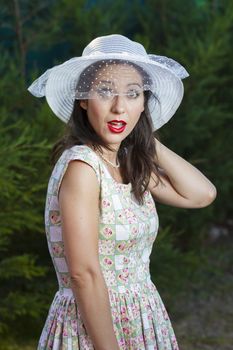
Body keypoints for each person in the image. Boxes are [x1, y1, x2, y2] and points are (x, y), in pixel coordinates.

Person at [28, 34, 217, 350]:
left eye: (132, 94)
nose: (119, 107)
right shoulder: (83, 167)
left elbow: (202, 194)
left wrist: (145, 139)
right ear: (83, 99)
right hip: (93, 329)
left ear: (144, 103)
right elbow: (84, 275)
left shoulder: (127, 162)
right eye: (105, 92)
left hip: (141, 319)